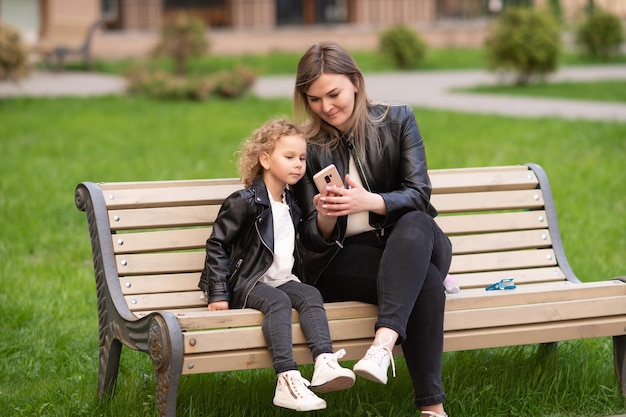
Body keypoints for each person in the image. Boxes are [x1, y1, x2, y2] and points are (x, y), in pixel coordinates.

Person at [291, 41, 453, 417]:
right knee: (426, 283)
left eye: (333, 94)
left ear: (356, 83)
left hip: (413, 241)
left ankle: (382, 344)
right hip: (345, 259)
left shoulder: (398, 120)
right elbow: (307, 237)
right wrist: (327, 216)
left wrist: (370, 202)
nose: (326, 107)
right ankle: (432, 408)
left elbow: (419, 193)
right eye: (314, 99)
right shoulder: (307, 145)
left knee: (415, 220)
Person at [198, 118, 355, 412]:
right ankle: (286, 379)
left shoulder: (291, 203)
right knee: (279, 303)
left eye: (302, 158)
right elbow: (218, 244)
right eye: (289, 157)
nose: (298, 164)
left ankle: (324, 362)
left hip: (281, 279)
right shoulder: (245, 201)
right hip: (248, 283)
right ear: (266, 159)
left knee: (310, 295)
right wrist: (218, 293)